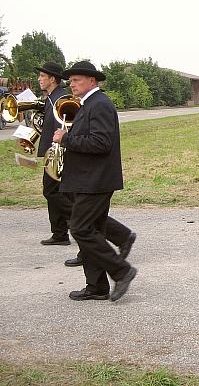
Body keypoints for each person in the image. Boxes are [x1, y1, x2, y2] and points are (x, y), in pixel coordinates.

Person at [53, 61, 137, 301]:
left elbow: (101, 143)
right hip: (87, 179)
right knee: (93, 230)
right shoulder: (89, 103)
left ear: (92, 81)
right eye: (71, 80)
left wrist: (66, 139)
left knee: (80, 229)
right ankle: (96, 286)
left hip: (95, 181)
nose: (72, 84)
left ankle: (122, 272)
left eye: (76, 80)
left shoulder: (99, 104)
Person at [35, 62, 75, 246]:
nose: (39, 79)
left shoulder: (62, 98)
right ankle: (59, 233)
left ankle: (80, 221)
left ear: (52, 79)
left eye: (42, 76)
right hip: (51, 150)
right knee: (57, 192)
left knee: (51, 191)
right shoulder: (50, 97)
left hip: (59, 152)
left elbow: (68, 125)